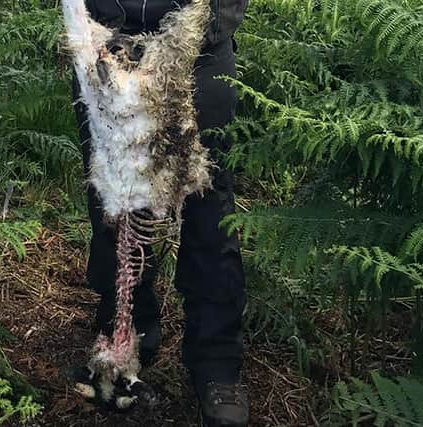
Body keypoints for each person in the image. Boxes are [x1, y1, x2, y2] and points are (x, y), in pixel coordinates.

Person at [71, 1, 249, 425]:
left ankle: (216, 364)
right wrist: (94, 32)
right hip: (103, 46)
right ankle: (126, 335)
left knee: (208, 208)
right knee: (113, 202)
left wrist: (204, 26)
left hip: (198, 52)